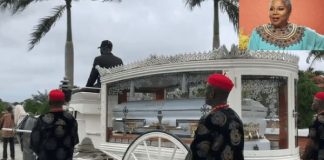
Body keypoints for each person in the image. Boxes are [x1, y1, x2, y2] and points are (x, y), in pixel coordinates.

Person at [190, 74, 244, 160]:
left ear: (212, 93)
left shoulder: (208, 119)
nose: (205, 92)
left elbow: (197, 154)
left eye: (206, 89)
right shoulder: (235, 117)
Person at [248, 0, 324, 50]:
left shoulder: (303, 33)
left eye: (280, 9)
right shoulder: (258, 33)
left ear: (289, 12)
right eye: (271, 9)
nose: (274, 12)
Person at [30, 89, 79, 160]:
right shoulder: (71, 119)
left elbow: (34, 143)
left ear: (49, 102)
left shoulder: (42, 119)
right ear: (63, 102)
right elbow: (75, 141)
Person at [301, 92, 324, 160]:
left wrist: (304, 157)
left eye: (314, 101)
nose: (312, 103)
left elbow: (311, 143)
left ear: (319, 103)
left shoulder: (316, 121)